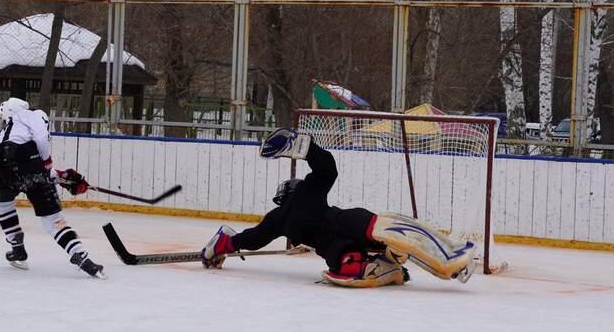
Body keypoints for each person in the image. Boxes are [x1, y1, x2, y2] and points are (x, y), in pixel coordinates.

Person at [200, 127, 476, 288]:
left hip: (342, 236)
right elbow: (327, 169)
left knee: (378, 252)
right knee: (402, 240)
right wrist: (306, 149)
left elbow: (251, 239)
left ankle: (442, 262)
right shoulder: (296, 203)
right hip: (345, 234)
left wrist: (222, 246)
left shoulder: (280, 217)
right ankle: (445, 262)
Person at [0, 97, 104, 278]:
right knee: (53, 220)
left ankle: (17, 247)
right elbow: (38, 150)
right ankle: (81, 257)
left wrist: (61, 176)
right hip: (31, 164)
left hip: (7, 167)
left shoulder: (4, 135)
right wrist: (57, 173)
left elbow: (5, 169)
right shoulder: (34, 115)